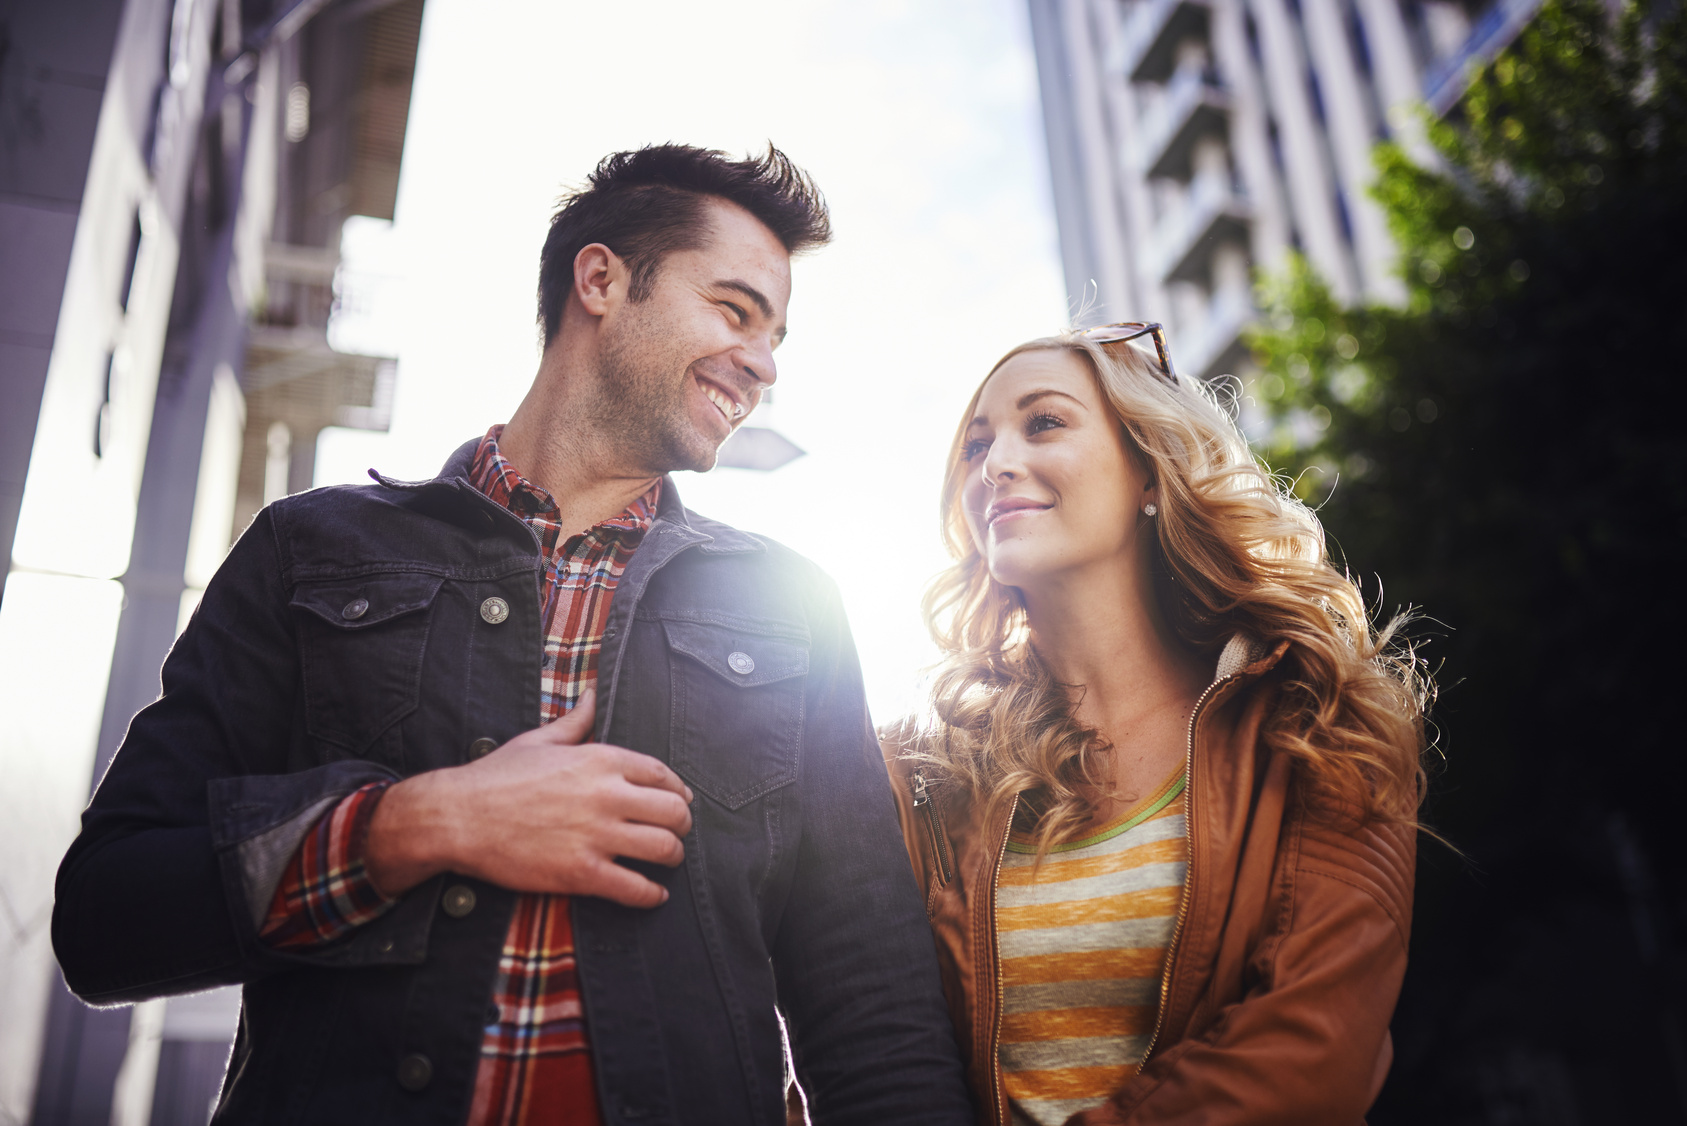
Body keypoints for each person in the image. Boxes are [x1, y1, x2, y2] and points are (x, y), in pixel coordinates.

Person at [53, 144, 973, 1126]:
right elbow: (108, 914)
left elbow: (875, 1018)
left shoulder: (795, 609)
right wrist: (418, 824)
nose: (764, 363)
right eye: (735, 310)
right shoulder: (307, 549)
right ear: (602, 279)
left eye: (775, 334)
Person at [882, 325, 1427, 1125]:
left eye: (1043, 423)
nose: (994, 463)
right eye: (974, 445)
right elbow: (857, 1049)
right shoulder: (915, 778)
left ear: (1147, 468)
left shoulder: (1318, 718)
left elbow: (1310, 1054)